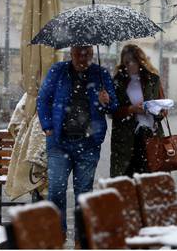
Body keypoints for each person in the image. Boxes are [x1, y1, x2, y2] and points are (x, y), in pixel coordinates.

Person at [37, 46, 118, 240]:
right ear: (71, 53)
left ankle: (82, 238)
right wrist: (47, 125)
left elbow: (114, 106)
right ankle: (58, 234)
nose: (83, 58)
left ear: (92, 53)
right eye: (78, 53)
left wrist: (106, 100)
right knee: (56, 190)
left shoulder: (100, 74)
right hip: (59, 142)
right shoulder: (58, 71)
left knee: (84, 194)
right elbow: (43, 99)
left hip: (88, 144)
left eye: (87, 54)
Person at [110, 44, 165, 177]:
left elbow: (163, 108)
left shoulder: (152, 79)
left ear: (140, 61)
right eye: (126, 62)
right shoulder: (117, 82)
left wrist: (153, 109)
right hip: (125, 139)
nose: (130, 65)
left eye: (133, 61)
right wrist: (131, 109)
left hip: (150, 136)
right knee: (126, 181)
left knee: (151, 180)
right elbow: (112, 111)